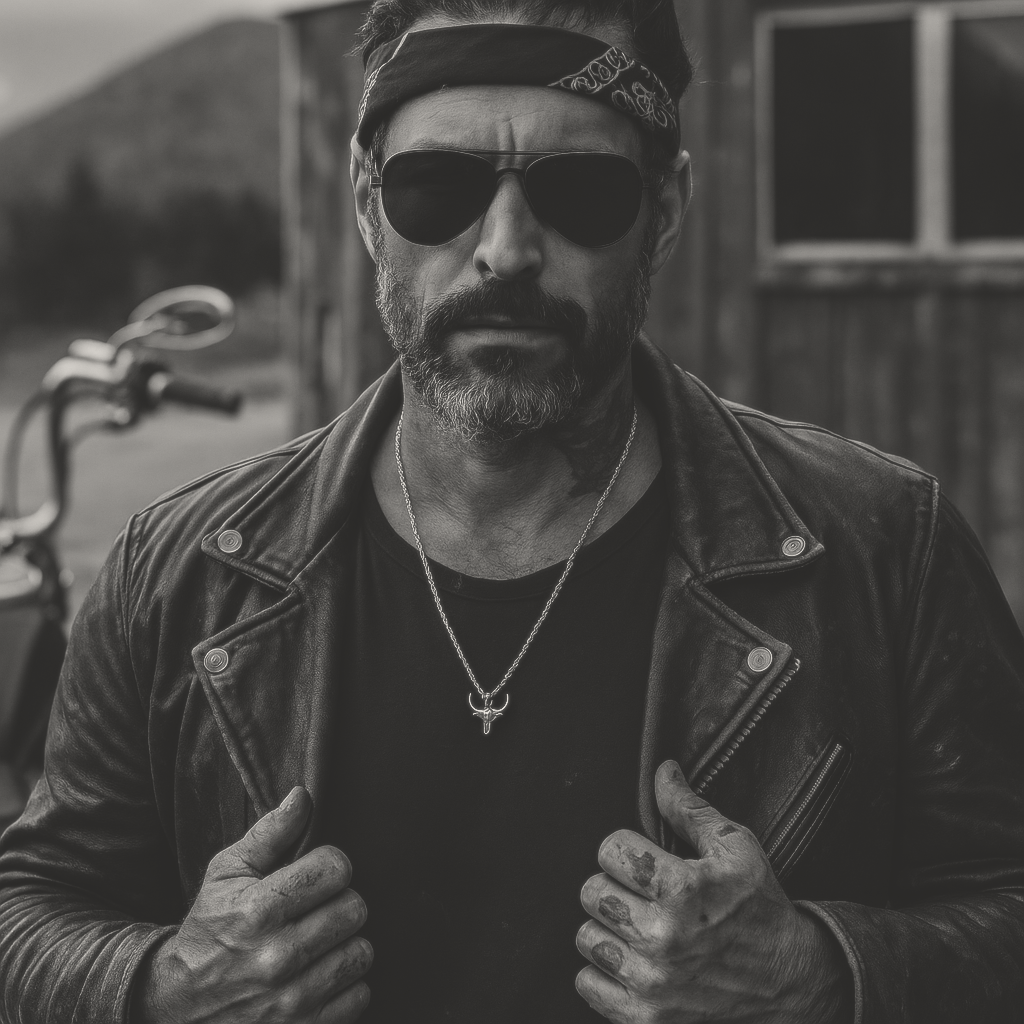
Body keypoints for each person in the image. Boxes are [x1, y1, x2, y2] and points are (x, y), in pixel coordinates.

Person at [2, 0, 1024, 1021]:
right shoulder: (176, 571)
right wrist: (156, 988)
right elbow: (29, 908)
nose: (504, 249)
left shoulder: (883, 545)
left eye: (580, 190)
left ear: (664, 211)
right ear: (366, 203)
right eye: (435, 186)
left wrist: (825, 972)